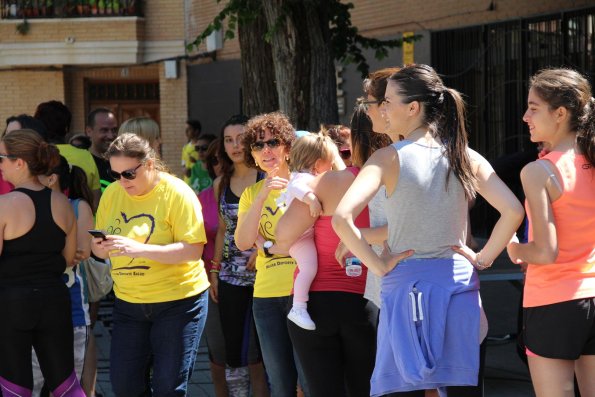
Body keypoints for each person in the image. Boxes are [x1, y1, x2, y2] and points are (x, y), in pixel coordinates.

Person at [332, 64, 524, 396]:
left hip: (406, 290)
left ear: (413, 107)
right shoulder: (466, 155)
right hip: (459, 289)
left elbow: (341, 218)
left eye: (388, 101)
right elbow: (513, 211)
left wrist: (377, 265)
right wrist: (483, 258)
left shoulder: (388, 158)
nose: (382, 109)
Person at [91, 133, 209, 397]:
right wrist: (99, 249)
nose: (122, 181)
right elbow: (99, 246)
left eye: (129, 174)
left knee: (168, 388)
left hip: (178, 303)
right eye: (115, 174)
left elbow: (193, 250)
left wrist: (141, 249)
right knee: (125, 386)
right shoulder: (112, 194)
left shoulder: (177, 192)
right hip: (128, 304)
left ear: (149, 164)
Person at [506, 68, 595, 397]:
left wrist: (514, 249)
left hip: (554, 300)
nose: (525, 116)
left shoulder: (539, 170)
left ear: (561, 113)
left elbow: (545, 251)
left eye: (533, 107)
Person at [270, 126, 376, 396]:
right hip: (364, 299)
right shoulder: (386, 181)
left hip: (314, 302)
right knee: (366, 388)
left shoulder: (324, 183)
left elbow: (282, 235)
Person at [0, 129, 85, 397]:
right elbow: (69, 258)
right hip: (54, 300)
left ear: (19, 162)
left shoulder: (4, 204)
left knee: (15, 387)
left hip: (12, 303)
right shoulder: (62, 203)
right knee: (66, 385)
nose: (0, 165)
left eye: (1, 158)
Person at [234, 112, 304, 397]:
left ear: (287, 147)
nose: (266, 151)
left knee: (309, 381)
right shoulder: (252, 194)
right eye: (258, 146)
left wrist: (268, 247)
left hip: (304, 292)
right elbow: (242, 242)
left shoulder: (306, 183)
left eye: (273, 142)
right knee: (280, 383)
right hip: (265, 296)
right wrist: (262, 195)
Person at [210, 115, 269, 397]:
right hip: (231, 276)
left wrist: (262, 248)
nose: (235, 145)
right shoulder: (220, 183)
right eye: (228, 140)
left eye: (240, 138)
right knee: (234, 348)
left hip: (268, 274)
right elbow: (222, 230)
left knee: (263, 349)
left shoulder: (267, 176)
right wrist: (214, 271)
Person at [33, 156, 94, 397]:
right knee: (31, 386)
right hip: (32, 312)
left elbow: (79, 253)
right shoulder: (26, 206)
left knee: (67, 387)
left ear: (51, 178)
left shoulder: (79, 207)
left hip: (72, 312)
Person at [277, 133, 341, 331]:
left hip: (303, 235)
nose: (331, 169)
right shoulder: (302, 178)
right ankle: (298, 307)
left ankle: (299, 306)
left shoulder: (307, 176)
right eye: (329, 165)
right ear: (317, 164)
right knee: (308, 268)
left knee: (309, 267)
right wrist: (311, 199)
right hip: (299, 238)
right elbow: (296, 187)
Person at [198, 139, 229, 397]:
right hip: (212, 281)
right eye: (217, 160)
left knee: (253, 352)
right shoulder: (201, 198)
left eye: (226, 159)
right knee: (217, 348)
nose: (223, 165)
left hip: (254, 277)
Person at [34, 100, 101, 208]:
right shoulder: (85, 156)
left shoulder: (36, 156)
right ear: (67, 128)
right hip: (84, 221)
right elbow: (96, 202)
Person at [85, 107, 118, 193]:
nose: (111, 136)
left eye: (114, 130)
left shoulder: (123, 162)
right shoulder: (83, 162)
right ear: (89, 131)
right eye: (104, 130)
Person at [182, 120, 202, 184]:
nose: (186, 132)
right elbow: (183, 164)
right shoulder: (185, 148)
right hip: (188, 183)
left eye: (189, 129)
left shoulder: (202, 147)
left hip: (199, 182)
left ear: (196, 131)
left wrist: (196, 162)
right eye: (186, 129)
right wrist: (185, 170)